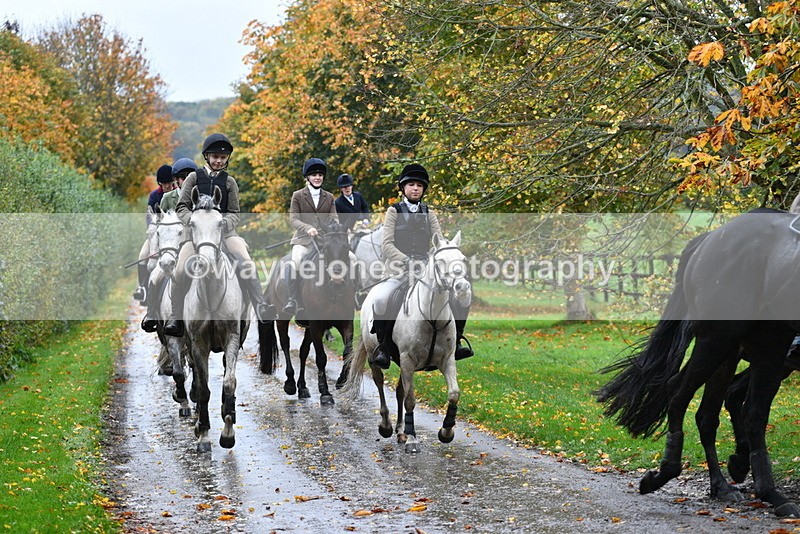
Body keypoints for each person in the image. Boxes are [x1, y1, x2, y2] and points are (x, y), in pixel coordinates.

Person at [163, 133, 273, 336]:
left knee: (247, 263)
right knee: (179, 270)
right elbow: (181, 207)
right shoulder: (193, 178)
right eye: (215, 157)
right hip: (195, 235)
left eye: (223, 157)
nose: (219, 161)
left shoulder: (230, 182)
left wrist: (222, 225)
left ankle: (260, 306)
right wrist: (195, 222)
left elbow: (235, 213)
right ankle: (176, 317)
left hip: (225, 234)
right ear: (207, 156)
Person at [368, 163, 474, 369]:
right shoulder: (393, 211)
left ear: (423, 189)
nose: (415, 188)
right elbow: (386, 244)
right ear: (403, 188)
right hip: (398, 270)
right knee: (381, 300)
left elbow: (439, 243)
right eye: (411, 185)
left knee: (462, 297)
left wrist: (433, 262)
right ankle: (382, 347)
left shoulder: (429, 213)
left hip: (426, 271)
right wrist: (406, 261)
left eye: (419, 185)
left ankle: (457, 341)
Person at [283, 157, 340, 316]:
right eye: (314, 175)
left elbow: (334, 217)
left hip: (325, 241)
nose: (317, 177)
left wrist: (334, 229)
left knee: (351, 258)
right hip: (304, 240)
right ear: (307, 177)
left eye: (320, 175)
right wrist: (307, 228)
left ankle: (355, 294)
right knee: (296, 261)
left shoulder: (329, 197)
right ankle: (293, 299)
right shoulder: (298, 195)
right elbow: (293, 219)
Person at [133, 164, 174, 308]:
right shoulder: (154, 196)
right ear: (159, 183)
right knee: (142, 256)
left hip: (173, 236)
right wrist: (153, 230)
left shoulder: (177, 195)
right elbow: (149, 217)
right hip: (157, 234)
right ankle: (143, 287)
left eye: (169, 183)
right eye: (164, 183)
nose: (167, 186)